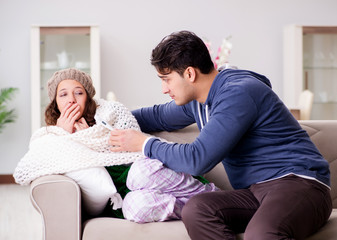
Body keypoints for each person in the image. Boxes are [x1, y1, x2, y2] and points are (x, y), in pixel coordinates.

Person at [109, 31, 332, 240]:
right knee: (198, 209)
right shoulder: (199, 102)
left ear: (189, 73)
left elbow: (197, 159)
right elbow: (157, 116)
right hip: (255, 192)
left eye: (166, 79)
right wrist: (96, 115)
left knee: (262, 234)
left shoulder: (238, 93)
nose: (164, 89)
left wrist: (144, 144)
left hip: (299, 185)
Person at [14, 68, 218, 222]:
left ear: (88, 97)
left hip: (143, 171)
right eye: (63, 94)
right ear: (55, 103)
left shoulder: (111, 112)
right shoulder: (50, 136)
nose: (71, 100)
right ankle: (197, 209)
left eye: (78, 92)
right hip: (122, 196)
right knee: (135, 208)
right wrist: (66, 135)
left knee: (139, 173)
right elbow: (35, 161)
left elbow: (134, 145)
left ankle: (210, 196)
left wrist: (90, 135)